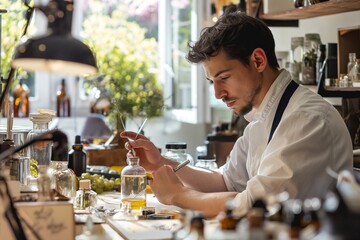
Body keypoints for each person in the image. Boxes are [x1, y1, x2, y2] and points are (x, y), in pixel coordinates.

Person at [120, 5, 353, 218]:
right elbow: (224, 182)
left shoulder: (306, 120)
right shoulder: (261, 118)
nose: (218, 93)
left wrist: (177, 196)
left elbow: (257, 205)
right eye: (213, 82)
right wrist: (161, 163)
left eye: (224, 78)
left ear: (258, 61)